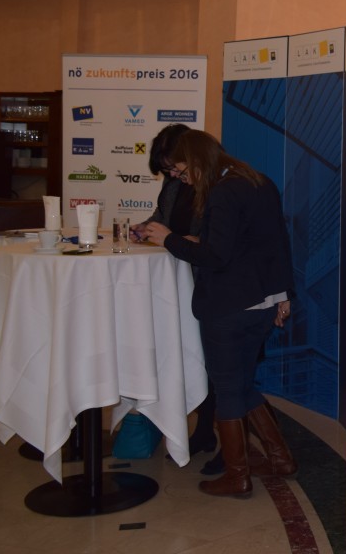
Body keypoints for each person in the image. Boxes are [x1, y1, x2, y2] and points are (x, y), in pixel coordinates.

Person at [140, 130, 295, 498]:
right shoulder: (257, 180)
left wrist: (168, 240)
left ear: (197, 160)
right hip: (262, 302)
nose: (181, 179)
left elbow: (215, 257)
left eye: (181, 171)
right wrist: (284, 295)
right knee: (241, 384)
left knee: (227, 388)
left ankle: (236, 475)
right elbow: (274, 242)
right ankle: (280, 459)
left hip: (229, 306)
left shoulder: (222, 192)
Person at [133, 124, 220, 465]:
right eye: (167, 169)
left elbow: (215, 241)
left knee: (210, 363)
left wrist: (177, 239)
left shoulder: (216, 185)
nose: (171, 174)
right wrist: (146, 228)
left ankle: (210, 433)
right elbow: (162, 218)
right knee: (186, 354)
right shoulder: (173, 185)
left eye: (173, 167)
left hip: (205, 281)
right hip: (175, 282)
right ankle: (200, 430)